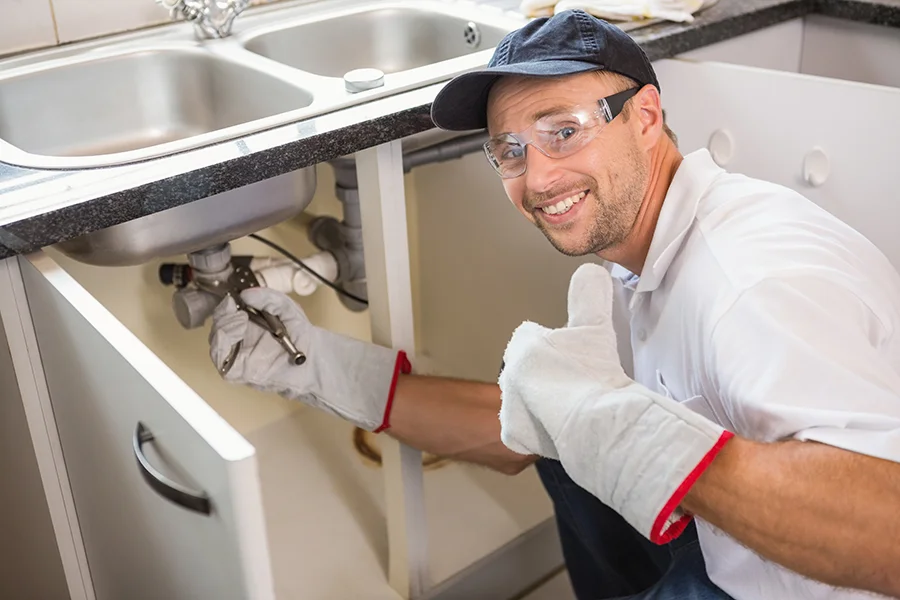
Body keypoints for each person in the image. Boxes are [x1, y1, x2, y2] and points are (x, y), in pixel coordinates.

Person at [207, 10, 900, 600]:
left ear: (647, 118)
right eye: (509, 150)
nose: (536, 176)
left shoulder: (748, 282)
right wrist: (316, 369)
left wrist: (642, 439)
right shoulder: (646, 250)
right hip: (733, 550)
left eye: (562, 130)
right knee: (558, 418)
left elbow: (885, 530)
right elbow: (530, 425)